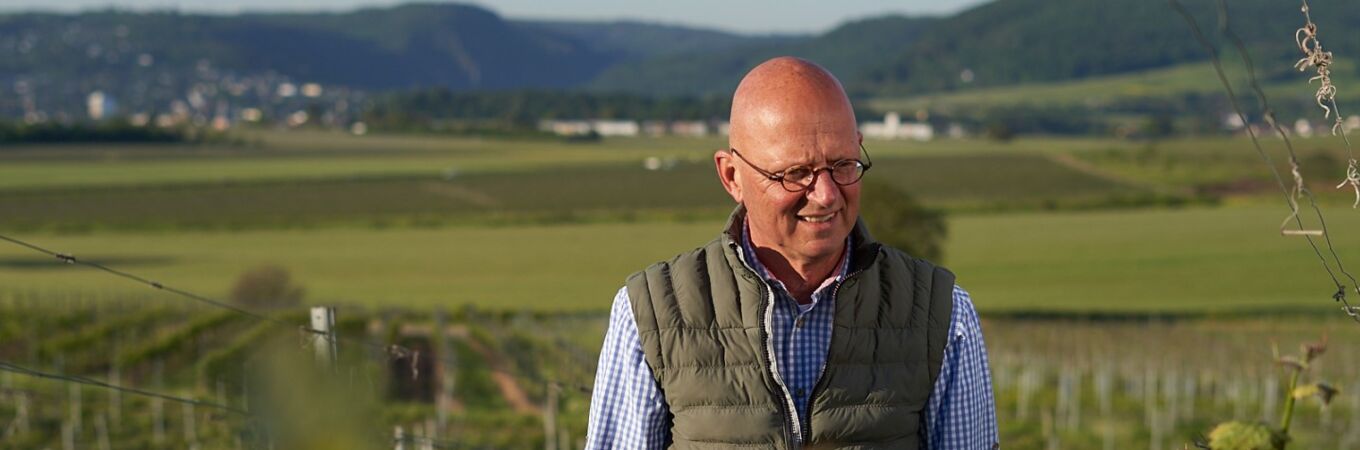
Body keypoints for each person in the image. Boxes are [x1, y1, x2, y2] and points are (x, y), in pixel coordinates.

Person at [585, 57, 998, 449]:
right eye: (795, 173)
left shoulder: (941, 312)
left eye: (843, 165)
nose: (826, 195)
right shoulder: (651, 313)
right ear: (732, 176)